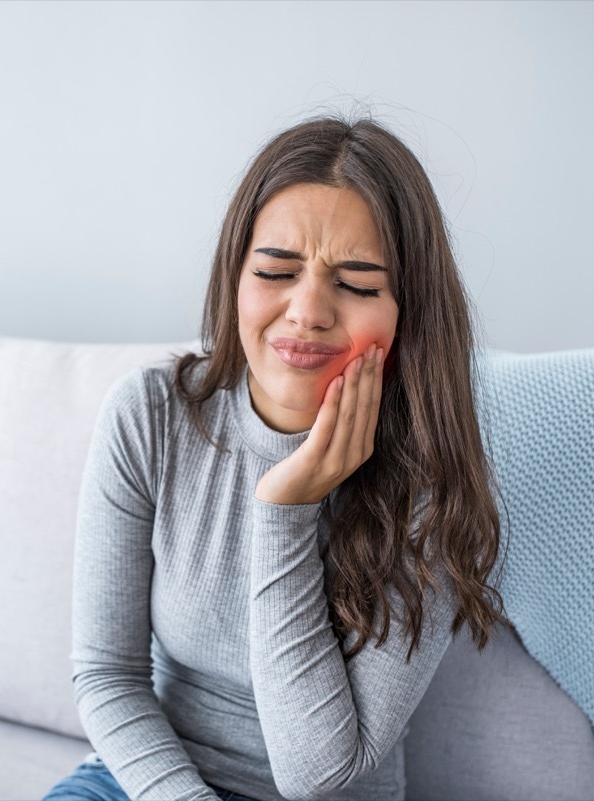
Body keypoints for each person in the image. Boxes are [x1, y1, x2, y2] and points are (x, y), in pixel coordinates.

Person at [44, 116, 508, 801]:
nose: (308, 310)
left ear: (408, 313)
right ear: (236, 279)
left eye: (355, 283)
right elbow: (107, 673)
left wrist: (284, 507)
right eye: (275, 271)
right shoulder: (148, 416)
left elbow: (314, 773)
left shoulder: (429, 484)